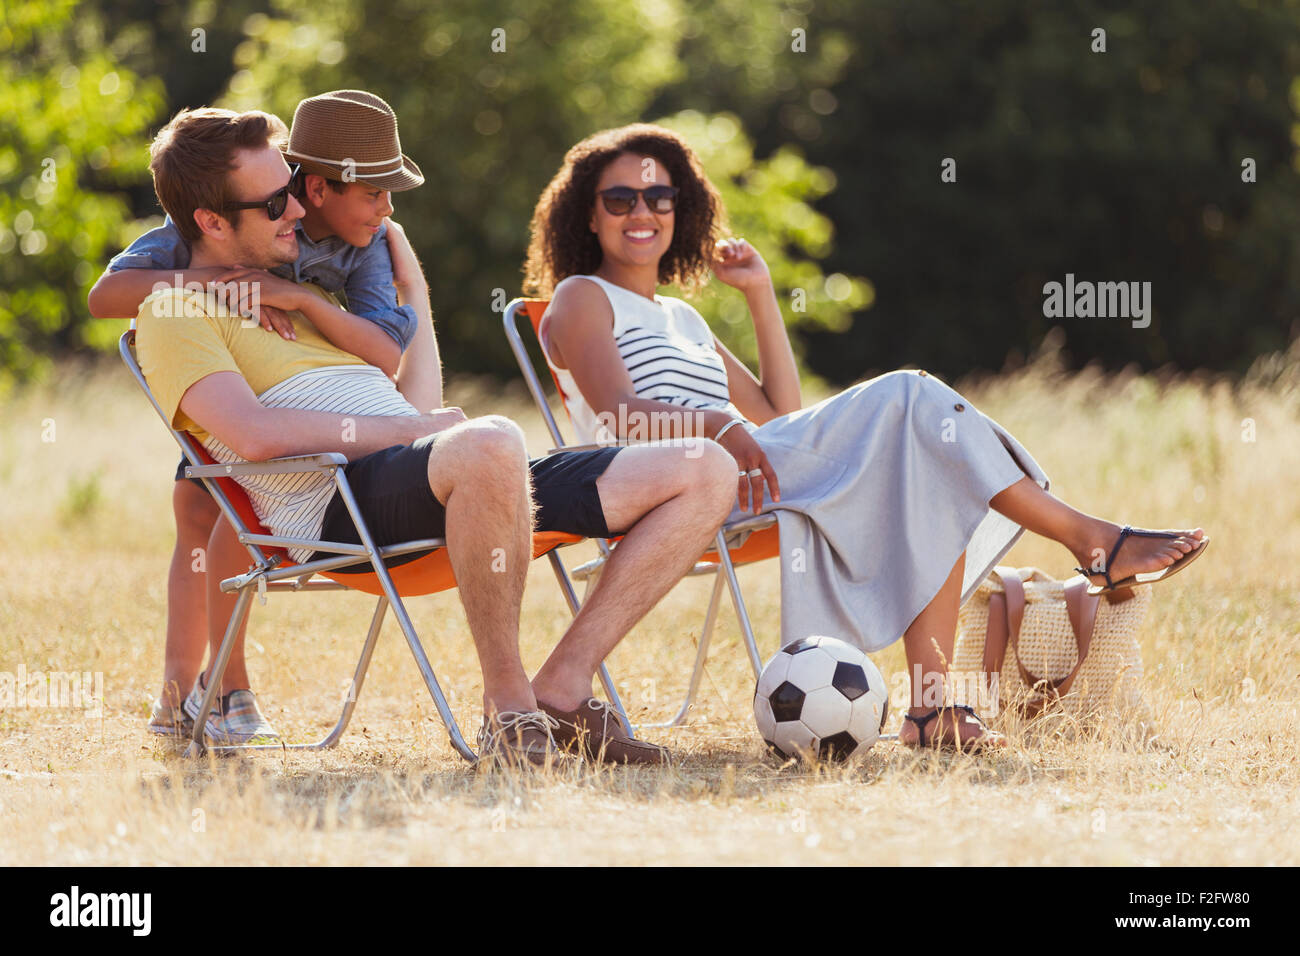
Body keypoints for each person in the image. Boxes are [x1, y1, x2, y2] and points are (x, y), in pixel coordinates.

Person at [523, 123, 1209, 751]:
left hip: (751, 469)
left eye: (658, 196)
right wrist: (717, 425)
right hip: (673, 486)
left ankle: (936, 708)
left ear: (681, 208)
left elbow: (776, 416)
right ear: (588, 213)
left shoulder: (683, 319)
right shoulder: (582, 296)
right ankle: (1090, 540)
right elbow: (619, 418)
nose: (641, 212)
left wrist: (761, 297)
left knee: (933, 456)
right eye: (619, 199)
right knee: (912, 397)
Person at [130, 108, 739, 765]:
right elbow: (249, 435)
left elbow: (418, 405)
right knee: (491, 440)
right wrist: (418, 430)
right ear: (213, 222)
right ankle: (509, 713)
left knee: (703, 467)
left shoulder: (309, 297)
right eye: (277, 200)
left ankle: (562, 686)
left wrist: (413, 291)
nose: (299, 212)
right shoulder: (173, 311)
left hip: (436, 478)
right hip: (332, 511)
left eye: (293, 190)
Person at [88, 92, 434, 741]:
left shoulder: (366, 246)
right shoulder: (241, 209)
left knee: (224, 510)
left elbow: (386, 350)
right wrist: (219, 285)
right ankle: (188, 692)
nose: (388, 208)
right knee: (200, 511)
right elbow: (108, 295)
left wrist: (298, 298)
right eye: (374, 191)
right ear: (316, 185)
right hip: (229, 378)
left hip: (295, 383)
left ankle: (219, 689)